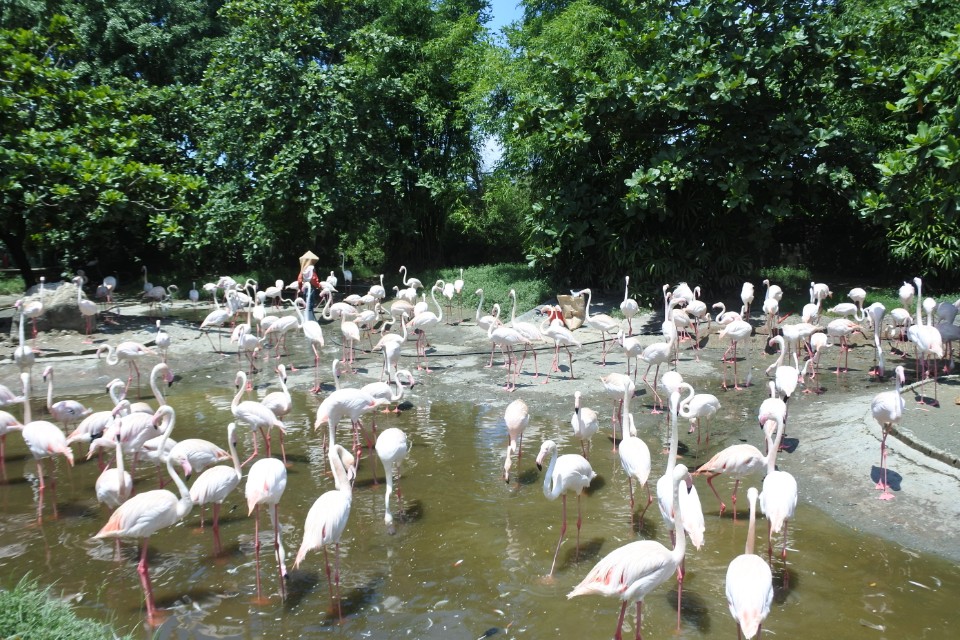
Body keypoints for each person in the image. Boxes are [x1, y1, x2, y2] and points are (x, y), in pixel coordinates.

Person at [297, 251, 322, 321]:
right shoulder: (311, 268)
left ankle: (306, 319)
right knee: (310, 304)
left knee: (306, 304)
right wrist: (319, 286)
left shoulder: (303, 269)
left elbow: (299, 280)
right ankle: (310, 320)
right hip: (311, 287)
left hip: (305, 287)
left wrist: (300, 288)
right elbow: (313, 279)